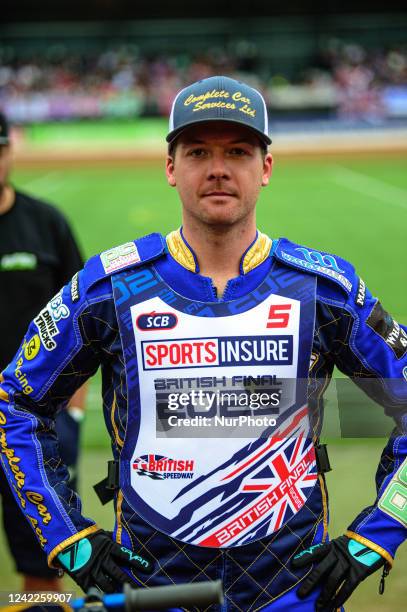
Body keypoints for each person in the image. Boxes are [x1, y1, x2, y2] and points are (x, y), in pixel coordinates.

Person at [0, 76, 406, 611]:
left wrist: (376, 537)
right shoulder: (109, 288)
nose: (218, 168)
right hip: (148, 592)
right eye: (198, 152)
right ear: (172, 167)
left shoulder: (324, 290)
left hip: (292, 592)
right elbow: (17, 402)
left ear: (265, 168)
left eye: (237, 151)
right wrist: (69, 541)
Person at [0, 111, 87, 594]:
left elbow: (82, 330)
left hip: (30, 427)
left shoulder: (45, 224)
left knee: (41, 568)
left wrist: (72, 418)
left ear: (9, 150)